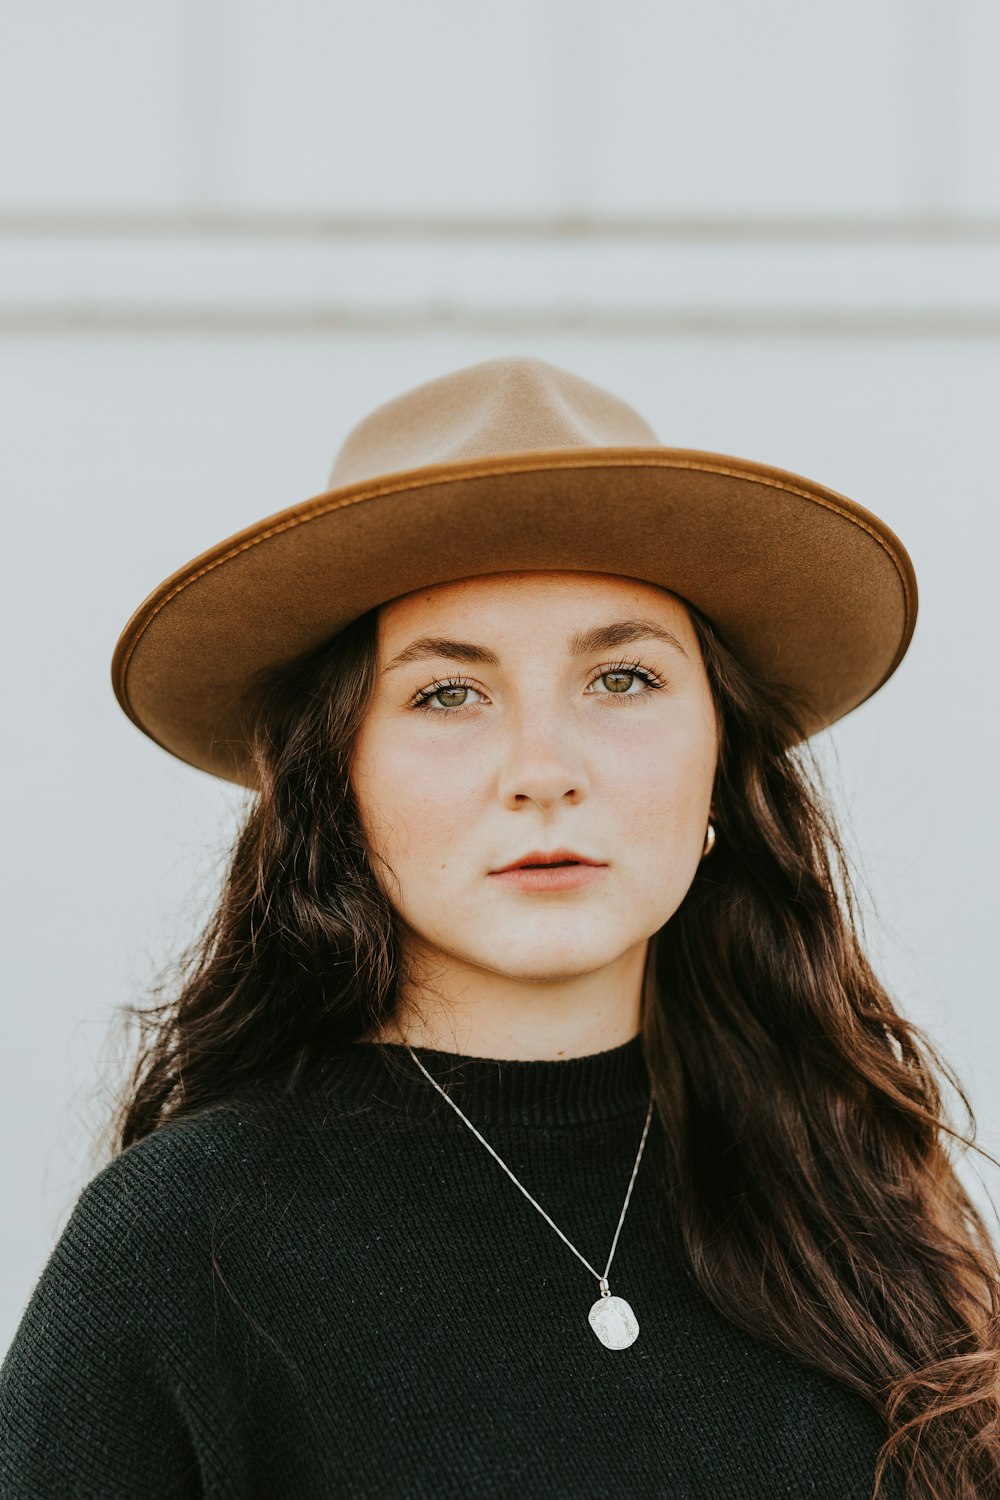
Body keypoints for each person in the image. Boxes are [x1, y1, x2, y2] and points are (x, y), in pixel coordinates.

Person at [1, 354, 997, 1499]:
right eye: (446, 695)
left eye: (621, 680)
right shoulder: (183, 1248)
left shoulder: (851, 1194)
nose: (544, 771)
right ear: (340, 779)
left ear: (722, 763)